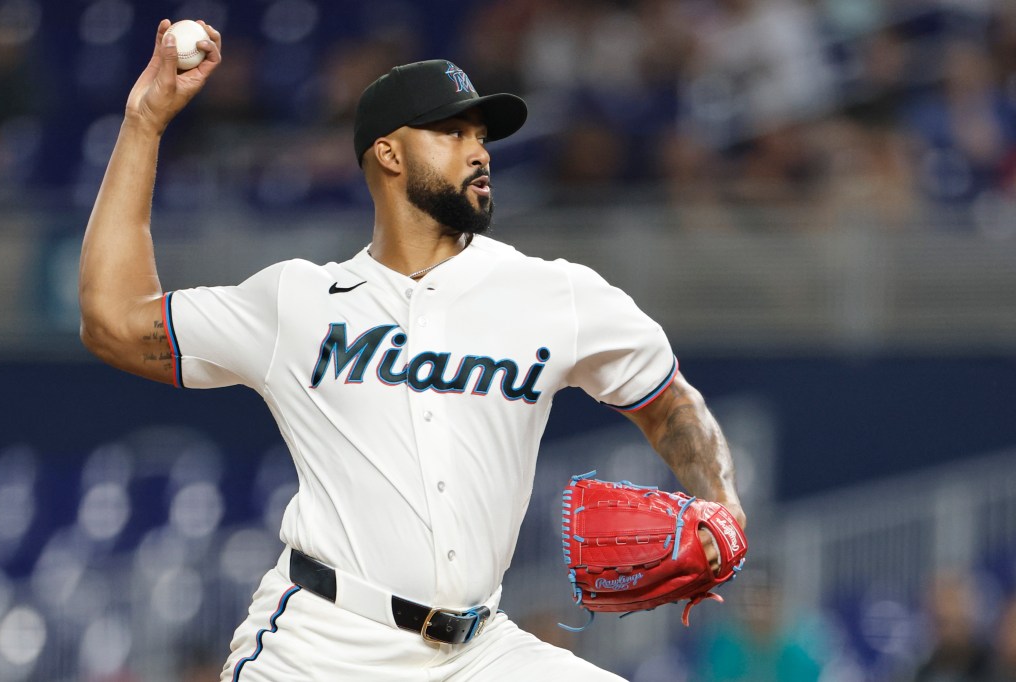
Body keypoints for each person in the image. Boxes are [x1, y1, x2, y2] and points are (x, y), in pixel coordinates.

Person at [78, 19, 747, 681]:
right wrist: (144, 121)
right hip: (321, 647)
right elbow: (113, 321)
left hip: (480, 650)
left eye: (481, 136)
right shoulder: (297, 303)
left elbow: (668, 402)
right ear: (389, 154)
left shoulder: (556, 296)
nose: (478, 151)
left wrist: (720, 502)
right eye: (451, 133)